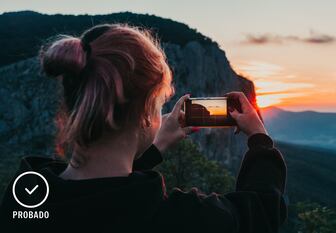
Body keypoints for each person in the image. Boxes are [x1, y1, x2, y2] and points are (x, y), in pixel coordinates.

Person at [0, 24, 287, 233]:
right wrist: (260, 140)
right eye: (158, 103)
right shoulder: (177, 219)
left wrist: (155, 144)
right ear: (144, 115)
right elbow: (259, 213)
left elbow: (100, 194)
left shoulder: (24, 199)